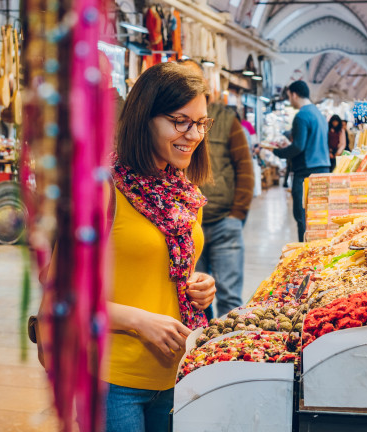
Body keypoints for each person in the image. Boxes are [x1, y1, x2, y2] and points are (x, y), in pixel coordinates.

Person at [106, 62, 217, 431]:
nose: (194, 134)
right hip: (112, 379)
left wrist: (199, 284)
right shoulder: (102, 190)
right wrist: (139, 321)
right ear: (144, 118)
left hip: (179, 371)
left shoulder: (184, 194)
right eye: (180, 122)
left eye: (200, 123)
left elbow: (168, 270)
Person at [179, 59, 255, 319]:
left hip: (223, 222)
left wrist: (237, 214)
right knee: (195, 300)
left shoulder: (225, 120)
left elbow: (244, 167)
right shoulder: (169, 124)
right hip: (186, 225)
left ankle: (230, 344)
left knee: (229, 299)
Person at [274, 80, 330, 242]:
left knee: (302, 216)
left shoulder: (301, 116)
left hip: (306, 173)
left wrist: (278, 152)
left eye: (289, 96)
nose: (289, 100)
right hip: (323, 170)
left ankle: (305, 253)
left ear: (294, 94)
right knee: (319, 218)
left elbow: (299, 146)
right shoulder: (319, 114)